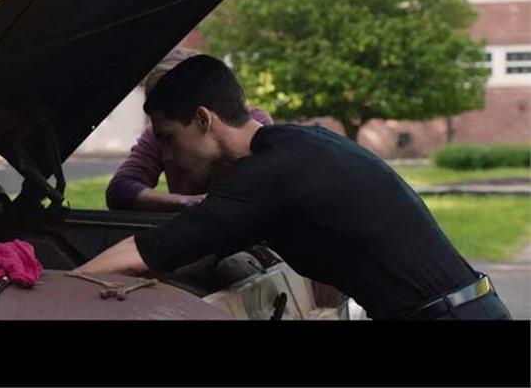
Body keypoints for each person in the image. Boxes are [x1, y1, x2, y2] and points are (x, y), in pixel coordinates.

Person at [77, 55, 511, 320]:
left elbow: (150, 250)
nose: (168, 156)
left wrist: (70, 282)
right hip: (466, 308)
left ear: (204, 120)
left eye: (169, 138)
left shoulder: (270, 172)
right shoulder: (297, 146)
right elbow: (197, 248)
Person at [105, 48, 273, 212]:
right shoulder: (162, 133)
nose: (168, 154)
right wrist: (184, 202)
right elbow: (120, 189)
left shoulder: (253, 127)